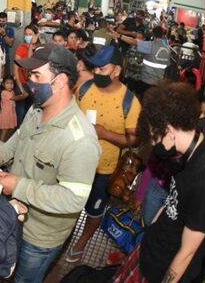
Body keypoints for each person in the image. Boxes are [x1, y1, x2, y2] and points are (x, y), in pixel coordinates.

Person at [0, 44, 101, 283]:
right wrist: (2, 154)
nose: (29, 83)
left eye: (37, 76)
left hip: (40, 235)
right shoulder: (37, 109)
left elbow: (72, 198)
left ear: (60, 81)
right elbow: (20, 138)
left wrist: (19, 186)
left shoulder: (79, 140)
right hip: (13, 214)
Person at [114, 82, 205, 283]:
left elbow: (187, 253)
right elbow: (175, 199)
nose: (154, 145)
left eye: (155, 138)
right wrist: (152, 229)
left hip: (160, 270)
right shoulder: (190, 148)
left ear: (170, 130)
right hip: (149, 250)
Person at [69, 46, 141, 262]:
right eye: (96, 68)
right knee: (69, 200)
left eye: (103, 68)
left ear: (117, 70)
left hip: (104, 167)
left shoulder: (130, 102)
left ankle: (83, 240)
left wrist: (104, 133)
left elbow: (133, 139)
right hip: (75, 160)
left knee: (94, 208)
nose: (98, 72)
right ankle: (64, 233)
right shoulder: (84, 89)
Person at [114, 25, 170, 98]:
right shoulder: (167, 48)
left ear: (153, 34)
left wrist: (120, 36)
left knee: (143, 99)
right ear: (163, 35)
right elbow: (167, 67)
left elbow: (134, 41)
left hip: (147, 81)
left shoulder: (150, 45)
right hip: (159, 82)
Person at [0, 75, 22, 142]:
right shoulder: (4, 92)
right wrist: (24, 95)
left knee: (9, 129)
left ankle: (5, 141)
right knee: (5, 130)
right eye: (7, 83)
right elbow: (15, 98)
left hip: (11, 113)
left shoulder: (11, 91)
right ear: (3, 84)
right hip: (6, 114)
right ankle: (0, 143)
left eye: (12, 83)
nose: (10, 85)